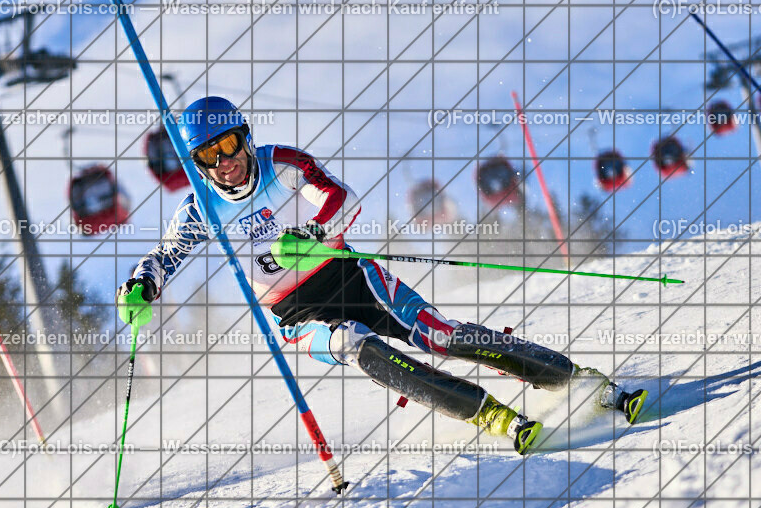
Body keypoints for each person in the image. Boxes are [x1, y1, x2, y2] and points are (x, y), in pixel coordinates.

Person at [116, 96, 647, 454]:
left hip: (349, 274)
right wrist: (141, 286)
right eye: (208, 154)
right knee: (357, 346)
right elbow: (165, 257)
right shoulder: (199, 209)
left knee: (438, 335)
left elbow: (343, 199)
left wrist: (315, 235)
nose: (224, 161)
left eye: (229, 144)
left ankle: (580, 383)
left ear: (244, 138)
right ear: (197, 164)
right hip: (295, 313)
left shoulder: (282, 163)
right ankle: (491, 416)